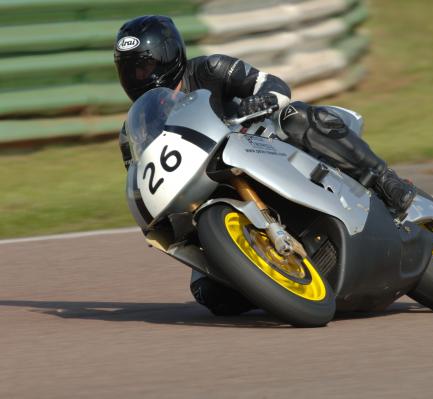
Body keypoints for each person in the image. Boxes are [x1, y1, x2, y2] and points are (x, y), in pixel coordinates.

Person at [114, 15, 416, 315]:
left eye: (146, 66)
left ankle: (384, 180)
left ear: (170, 56)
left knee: (295, 115)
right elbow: (141, 172)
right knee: (211, 296)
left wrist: (263, 100)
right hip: (206, 186)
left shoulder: (209, 69)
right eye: (130, 71)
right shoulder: (138, 124)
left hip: (264, 143)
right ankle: (274, 276)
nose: (139, 76)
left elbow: (270, 83)